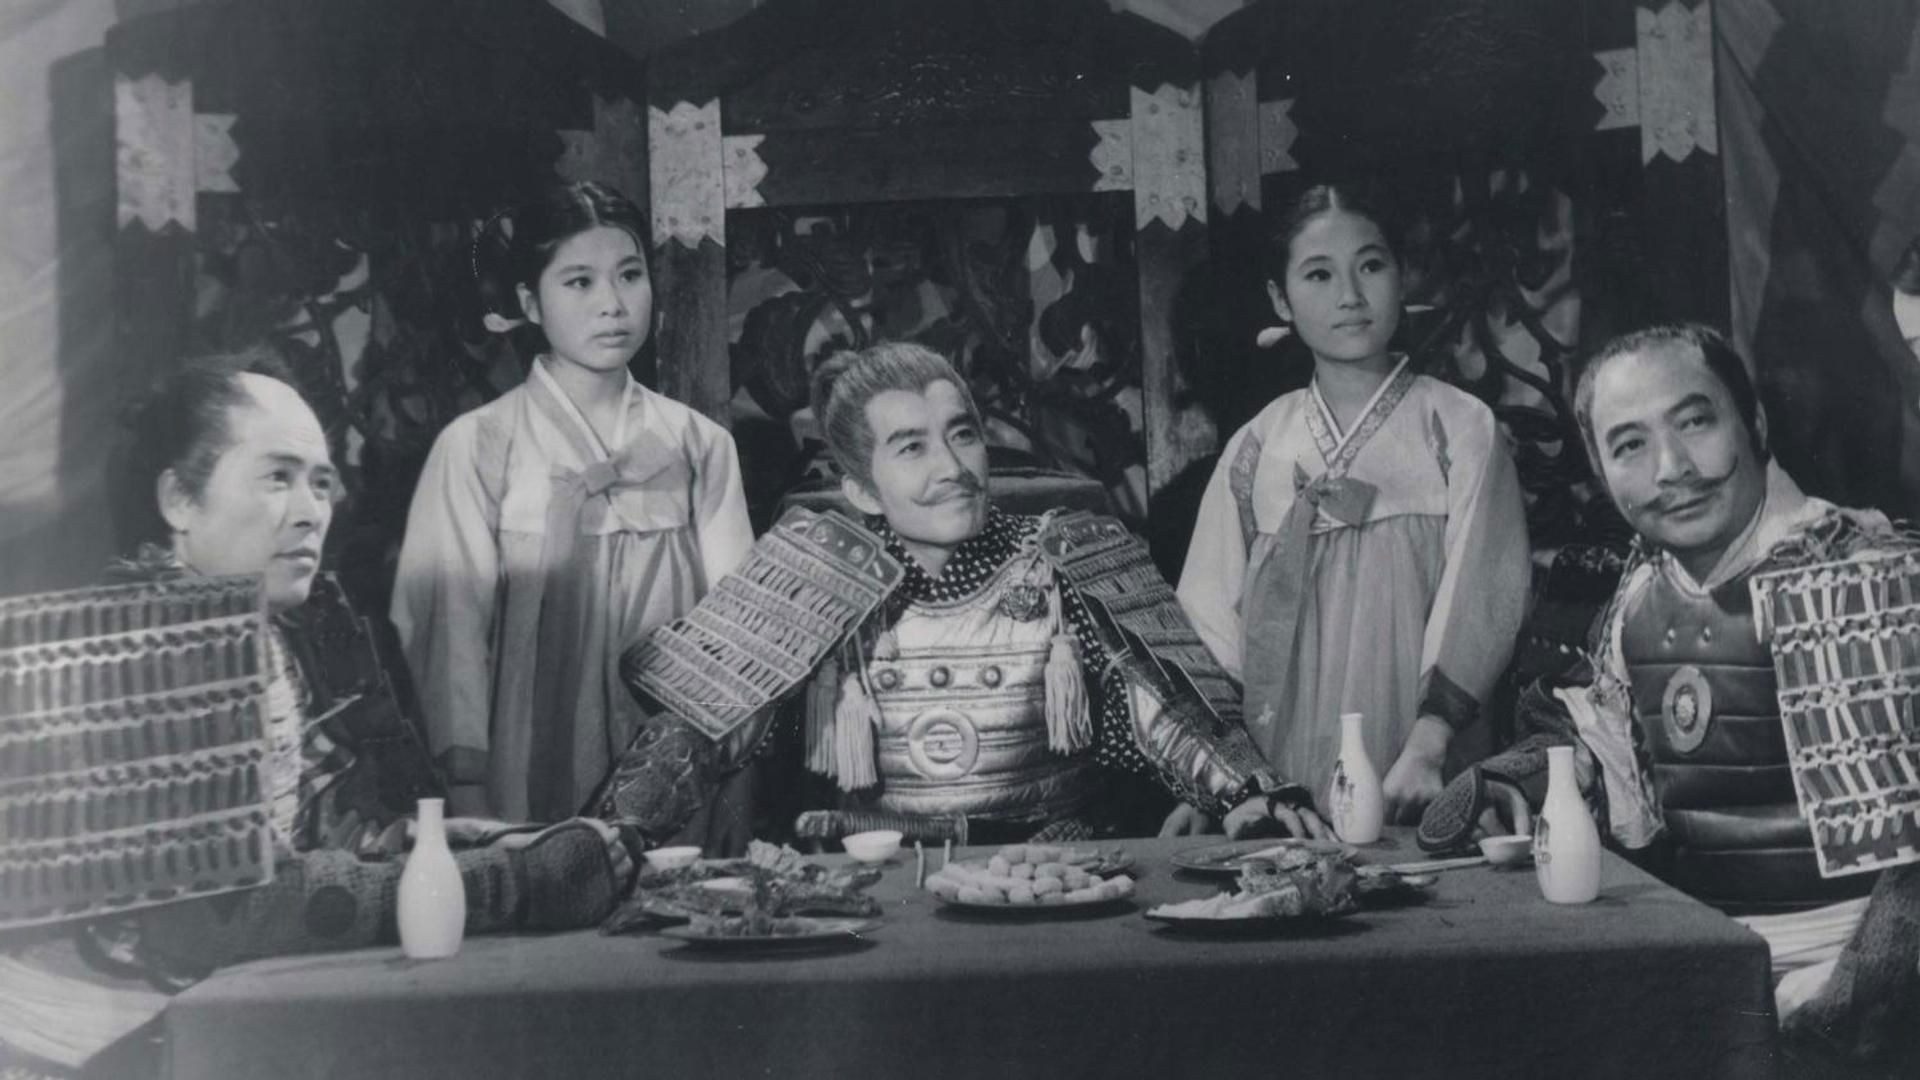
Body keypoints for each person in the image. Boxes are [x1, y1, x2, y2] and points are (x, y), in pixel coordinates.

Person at [0, 352, 633, 1074]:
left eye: (321, 482)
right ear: (180, 501)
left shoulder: (277, 630)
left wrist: (461, 846)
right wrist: (513, 883)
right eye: (277, 477)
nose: (310, 511)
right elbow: (223, 917)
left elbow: (320, 840)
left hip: (210, 1021)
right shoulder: (141, 647)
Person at [1419, 323, 1919, 1066]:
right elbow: (1607, 754)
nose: (1672, 468)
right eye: (1630, 445)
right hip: (1707, 973)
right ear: (1600, 471)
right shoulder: (1638, 598)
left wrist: (1857, 993)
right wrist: (1522, 779)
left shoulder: (1871, 576)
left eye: (1695, 422)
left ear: (1754, 423)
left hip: (1867, 998)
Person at [603, 341, 1323, 845]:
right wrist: (614, 835)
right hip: (875, 890)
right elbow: (704, 730)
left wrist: (1247, 792)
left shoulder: (1066, 557)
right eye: (911, 447)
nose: (952, 467)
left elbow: (1164, 710)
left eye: (963, 434)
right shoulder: (814, 578)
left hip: (1053, 882)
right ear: (861, 489)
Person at [391, 181, 753, 824]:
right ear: (530, 301)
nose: (612, 304)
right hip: (524, 747)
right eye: (579, 282)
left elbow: (738, 627)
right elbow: (449, 625)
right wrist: (465, 777)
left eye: (630, 275)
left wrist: (733, 768)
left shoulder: (699, 444)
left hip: (676, 753)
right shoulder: (478, 445)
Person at [1176, 183, 1531, 826]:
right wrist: (1222, 779)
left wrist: (1429, 744)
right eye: (1319, 274)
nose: (1350, 295)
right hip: (1278, 772)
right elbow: (1208, 623)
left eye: (1370, 266)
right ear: (1280, 299)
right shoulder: (1258, 445)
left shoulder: (1458, 425)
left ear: (1402, 275)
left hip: (1421, 759)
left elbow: (1485, 595)